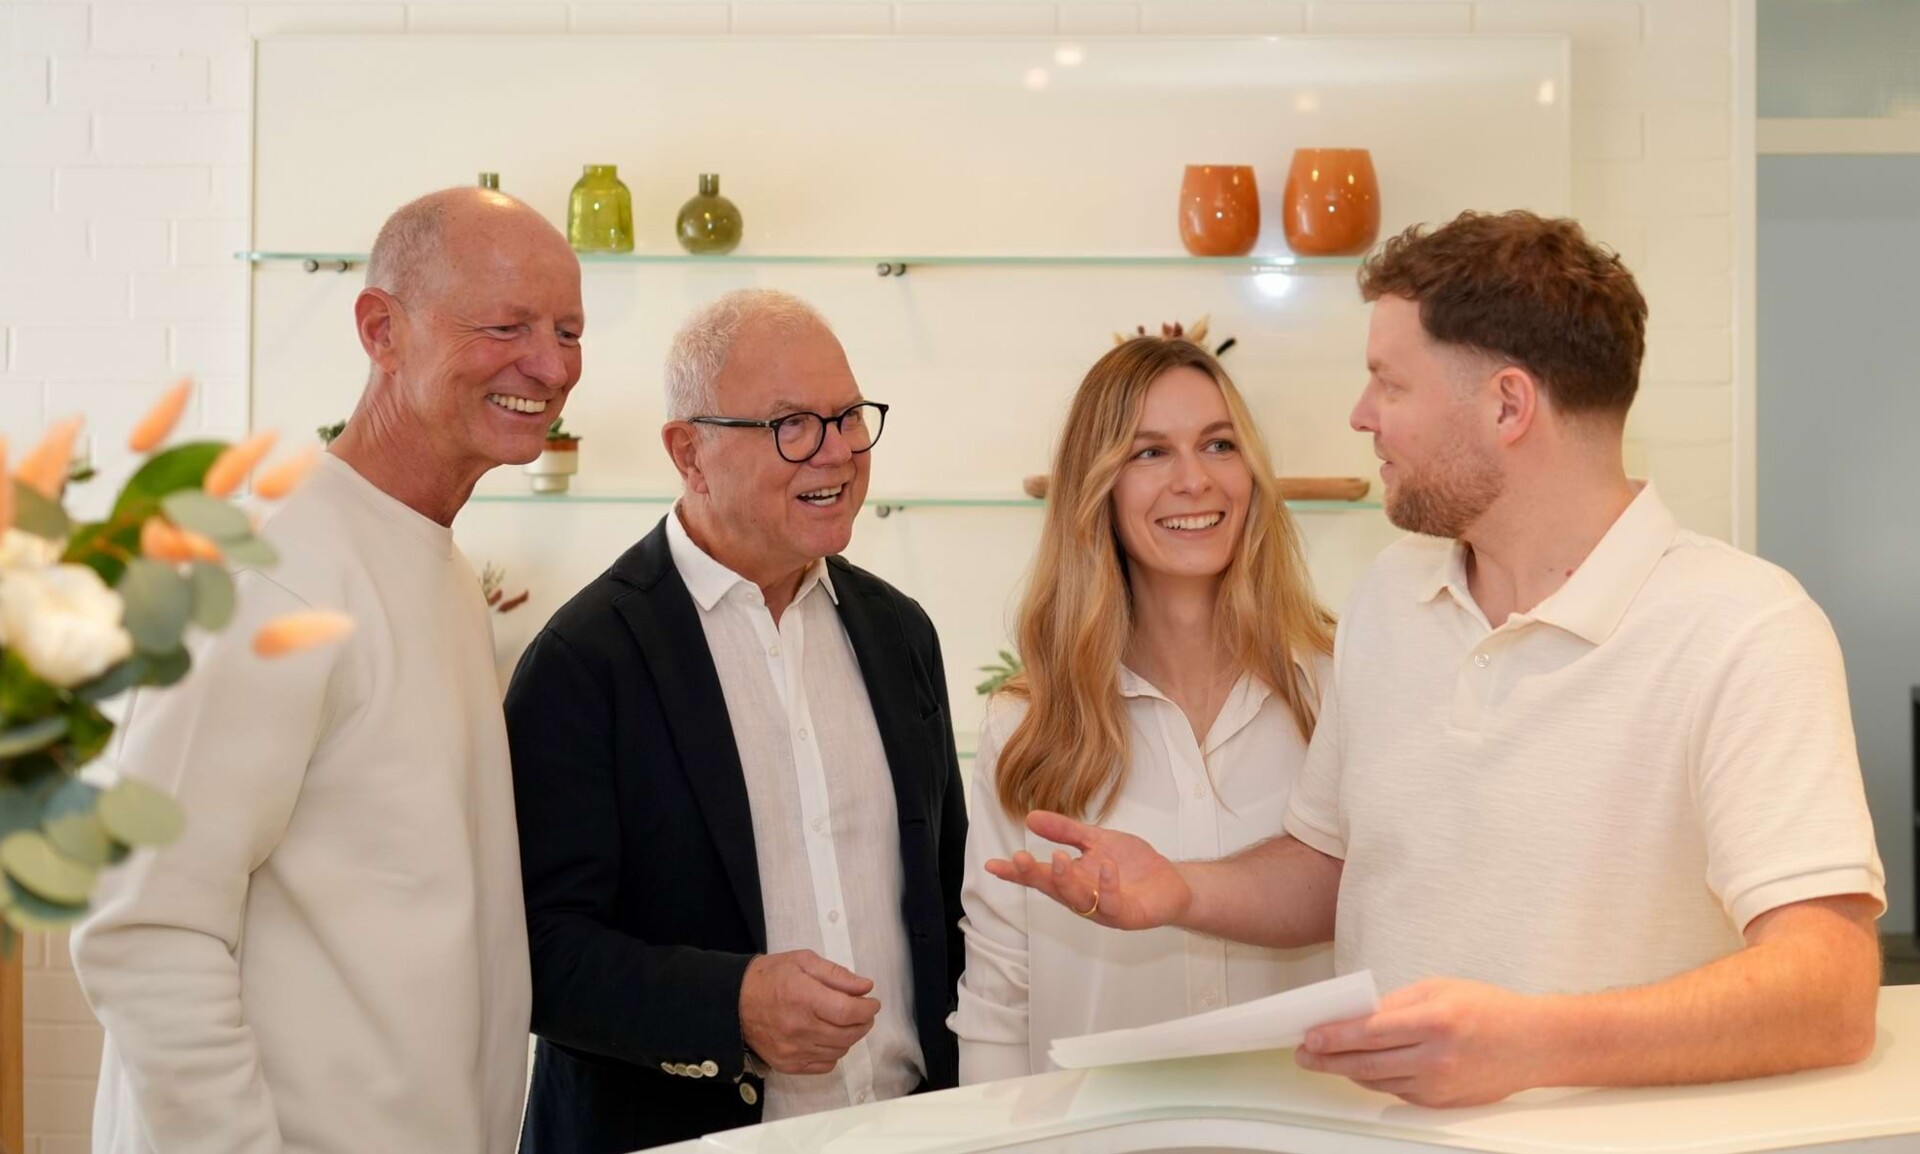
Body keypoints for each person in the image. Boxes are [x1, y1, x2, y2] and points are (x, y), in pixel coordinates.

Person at [988, 210, 1886, 1108]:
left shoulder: (1743, 627)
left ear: (1506, 405)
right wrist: (1180, 889)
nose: (1361, 415)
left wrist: (1535, 1045)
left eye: (1390, 383)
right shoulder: (1391, 598)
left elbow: (1830, 988)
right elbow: (1337, 868)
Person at [74, 187, 582, 1151]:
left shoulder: (438, 569)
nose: (551, 366)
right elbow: (145, 931)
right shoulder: (271, 575)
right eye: (506, 325)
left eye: (569, 330)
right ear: (380, 330)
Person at [507, 288, 966, 1152]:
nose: (835, 453)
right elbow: (534, 952)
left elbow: (943, 905)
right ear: (690, 452)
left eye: (847, 417)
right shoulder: (584, 659)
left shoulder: (899, 632)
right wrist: (733, 1005)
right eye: (792, 424)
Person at [953, 337, 1335, 1082]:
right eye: (1150, 453)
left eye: (1219, 444)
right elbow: (1000, 1001)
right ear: (1097, 487)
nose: (1194, 480)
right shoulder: (1027, 727)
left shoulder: (1336, 691)